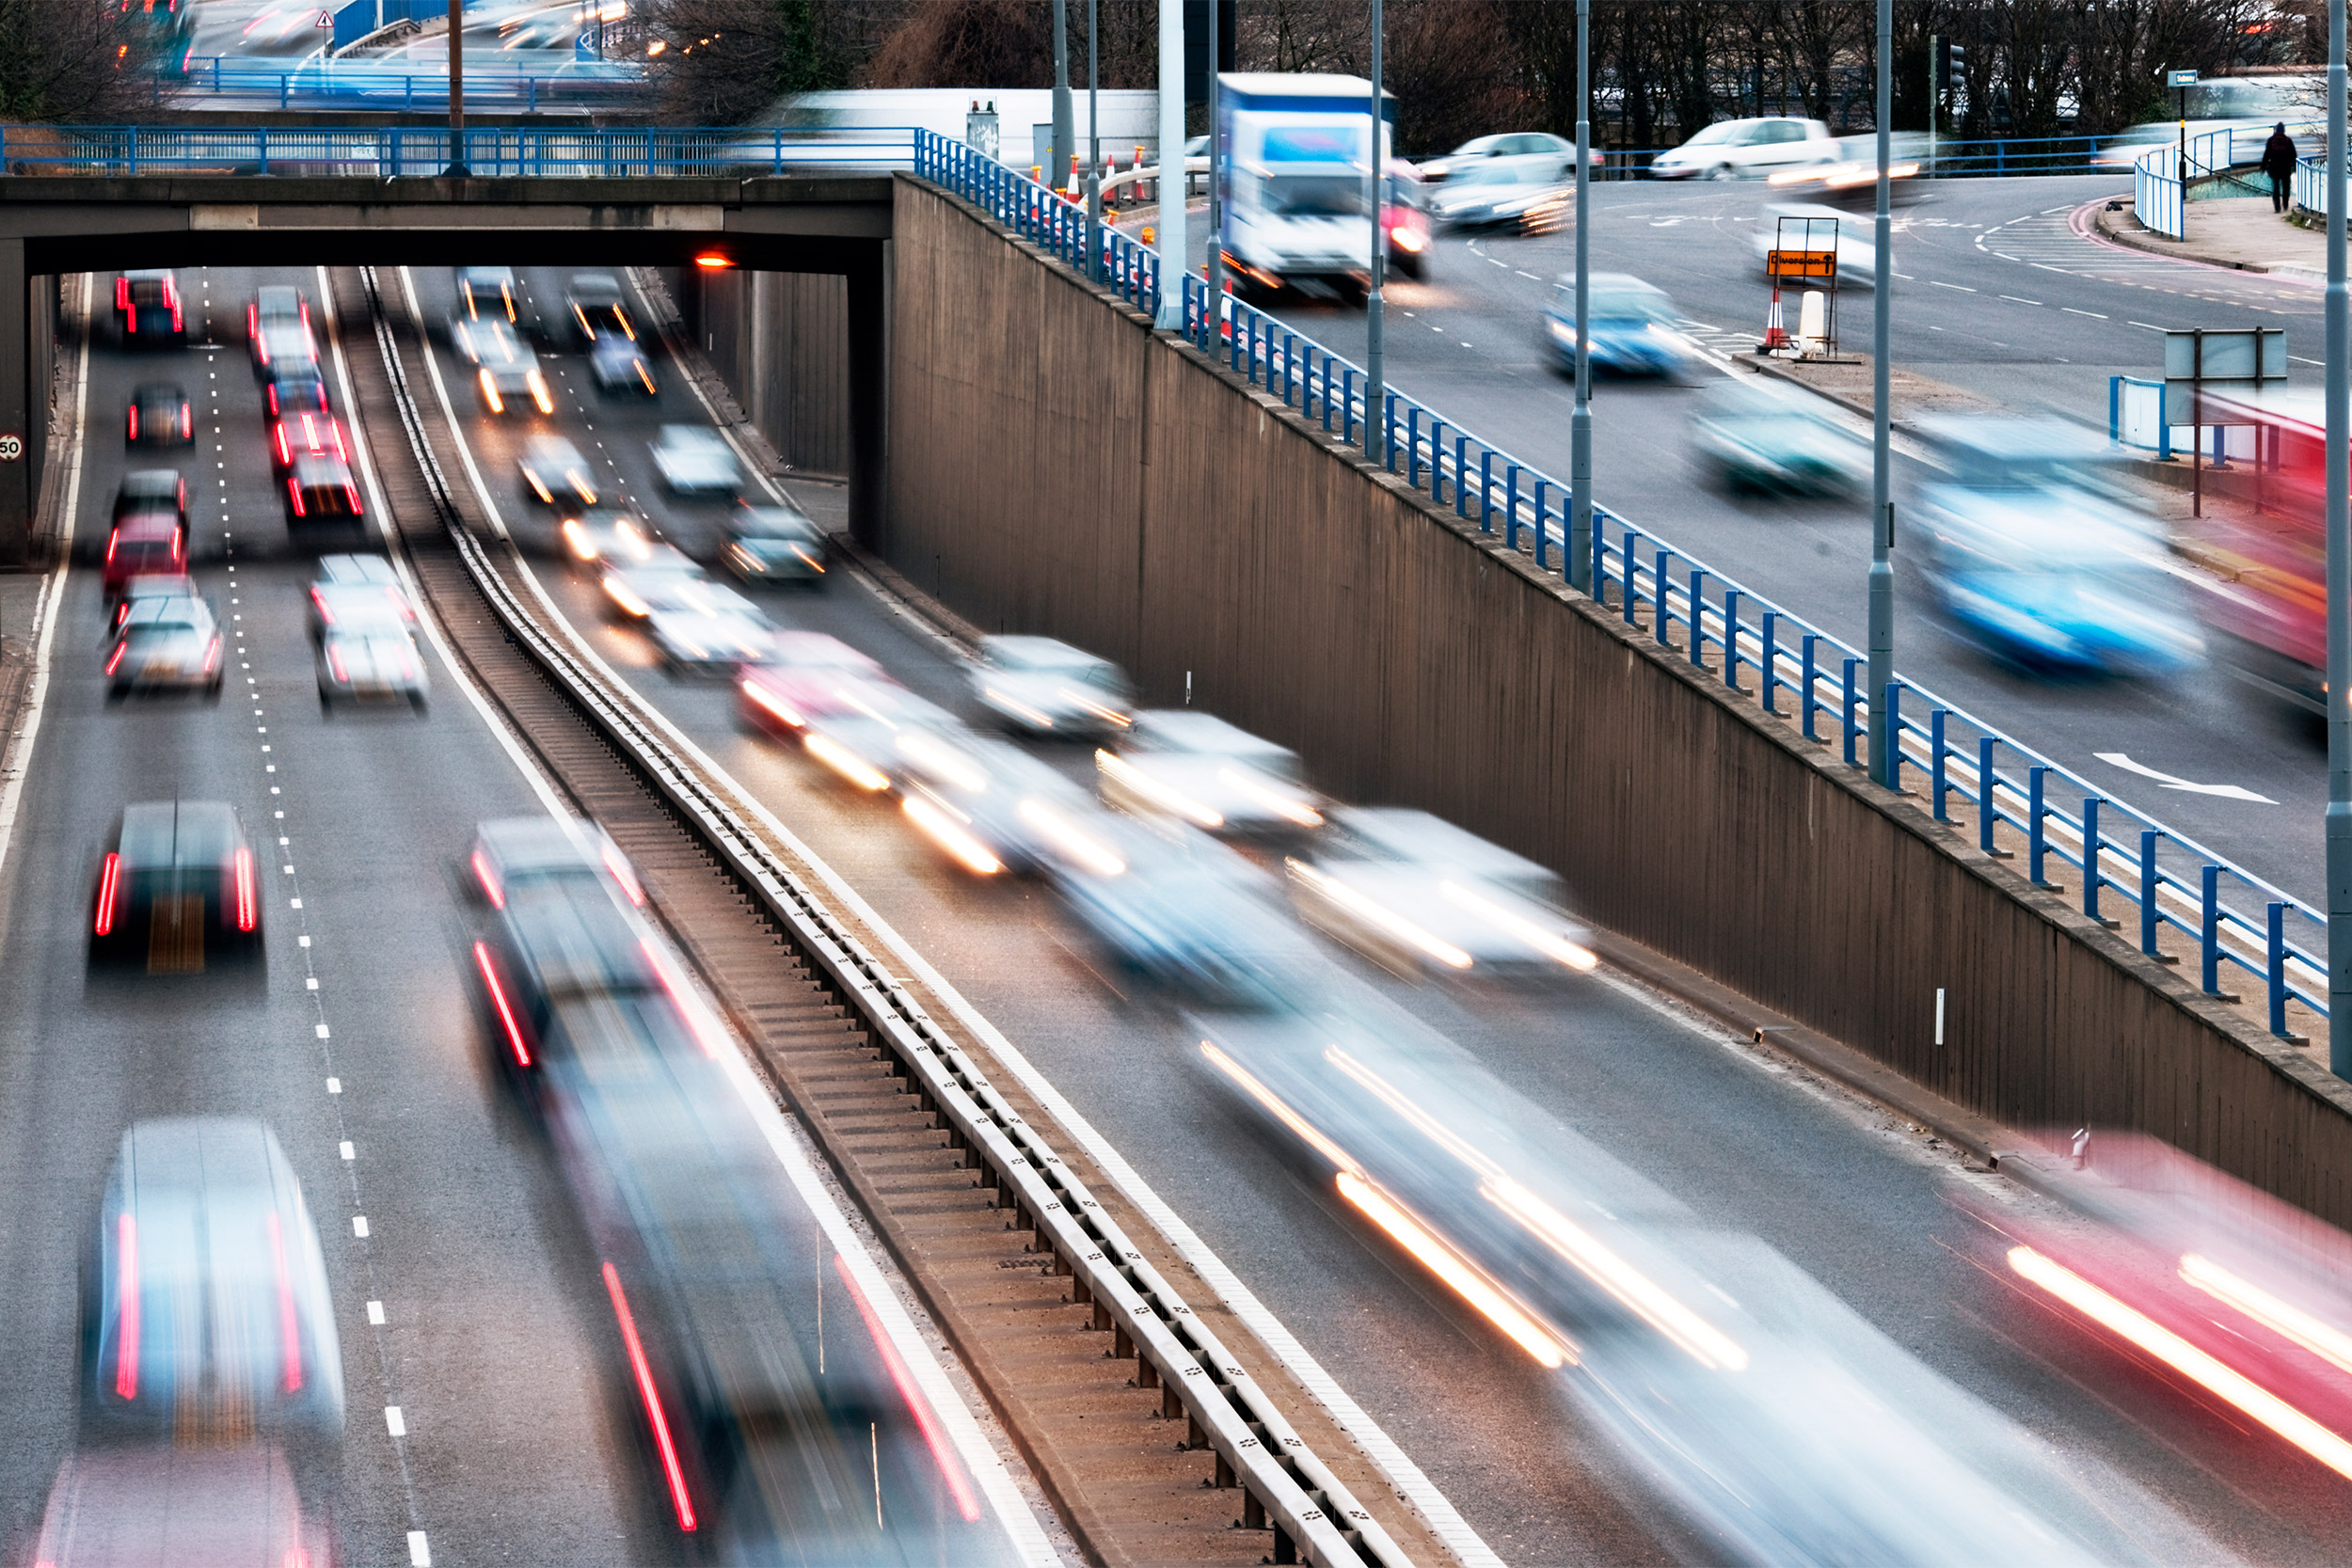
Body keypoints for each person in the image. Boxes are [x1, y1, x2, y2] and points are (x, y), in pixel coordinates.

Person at [2263, 121, 2299, 214]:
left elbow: (2267, 154)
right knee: (2286, 187)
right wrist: (2295, 167)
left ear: (2275, 130)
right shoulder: (2288, 141)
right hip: (2286, 167)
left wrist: (2263, 166)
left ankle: (2277, 207)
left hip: (2274, 167)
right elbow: (2294, 155)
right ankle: (2285, 204)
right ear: (2284, 130)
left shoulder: (2271, 140)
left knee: (2276, 187)